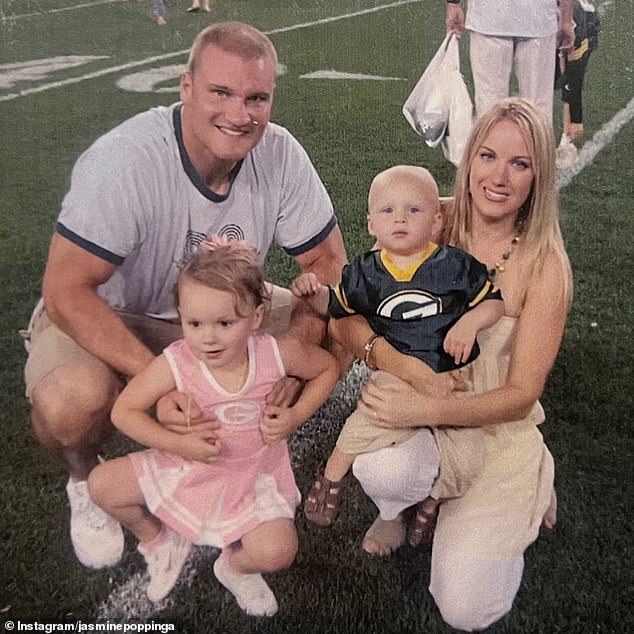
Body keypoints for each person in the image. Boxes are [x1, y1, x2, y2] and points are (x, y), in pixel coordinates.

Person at [22, 22, 347, 572]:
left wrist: (295, 353)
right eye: (221, 93)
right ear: (186, 87)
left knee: (344, 323)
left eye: (256, 98)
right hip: (118, 310)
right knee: (69, 402)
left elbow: (328, 264)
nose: (240, 114)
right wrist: (163, 380)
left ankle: (253, 447)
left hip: (223, 310)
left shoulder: (280, 153)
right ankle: (84, 480)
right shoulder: (126, 160)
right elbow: (65, 290)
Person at [329, 97, 572, 631]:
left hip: (495, 433)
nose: (499, 177)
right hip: (424, 418)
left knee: (468, 611)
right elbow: (346, 318)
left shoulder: (544, 264)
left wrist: (426, 403)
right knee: (382, 464)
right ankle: (396, 510)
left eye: (520, 163)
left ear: (539, 176)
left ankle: (532, 475)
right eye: (487, 156)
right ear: (467, 159)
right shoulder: (425, 216)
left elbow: (521, 393)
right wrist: (402, 367)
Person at [88, 239, 338, 612]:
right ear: (181, 316)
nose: (208, 337)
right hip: (188, 467)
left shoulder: (274, 353)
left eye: (225, 323)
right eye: (194, 323)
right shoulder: (178, 360)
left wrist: (296, 415)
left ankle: (234, 567)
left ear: (255, 317)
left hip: (253, 479)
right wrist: (178, 445)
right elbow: (124, 411)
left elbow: (326, 369)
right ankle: (160, 542)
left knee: (278, 551)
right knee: (101, 485)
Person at [291, 165, 503, 543]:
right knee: (374, 413)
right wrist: (315, 294)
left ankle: (434, 501)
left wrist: (469, 325)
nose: (400, 218)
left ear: (437, 221)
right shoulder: (367, 272)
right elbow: (338, 308)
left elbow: (493, 303)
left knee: (471, 453)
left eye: (414, 211)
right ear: (371, 223)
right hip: (399, 371)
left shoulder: (453, 264)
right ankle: (334, 473)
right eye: (388, 211)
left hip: (454, 374)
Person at [445, 0, 575, 119]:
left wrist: (453, 3)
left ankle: (492, 143)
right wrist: (566, 18)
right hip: (538, 17)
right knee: (537, 112)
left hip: (488, 16)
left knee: (489, 109)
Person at [554, 0, 601, 168]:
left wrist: (575, 119)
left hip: (583, 27)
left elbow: (573, 75)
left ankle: (567, 140)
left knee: (568, 78)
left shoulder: (575, 19)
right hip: (550, 22)